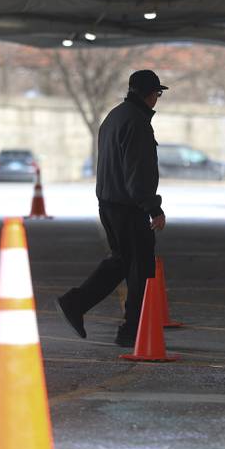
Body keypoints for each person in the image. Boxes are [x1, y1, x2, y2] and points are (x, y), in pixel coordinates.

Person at [56, 70, 167, 347]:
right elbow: (137, 172)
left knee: (120, 262)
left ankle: (76, 303)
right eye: (158, 93)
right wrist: (153, 208)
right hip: (128, 207)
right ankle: (133, 331)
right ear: (149, 94)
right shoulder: (137, 123)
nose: (158, 99)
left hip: (108, 203)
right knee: (141, 270)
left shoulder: (114, 116)